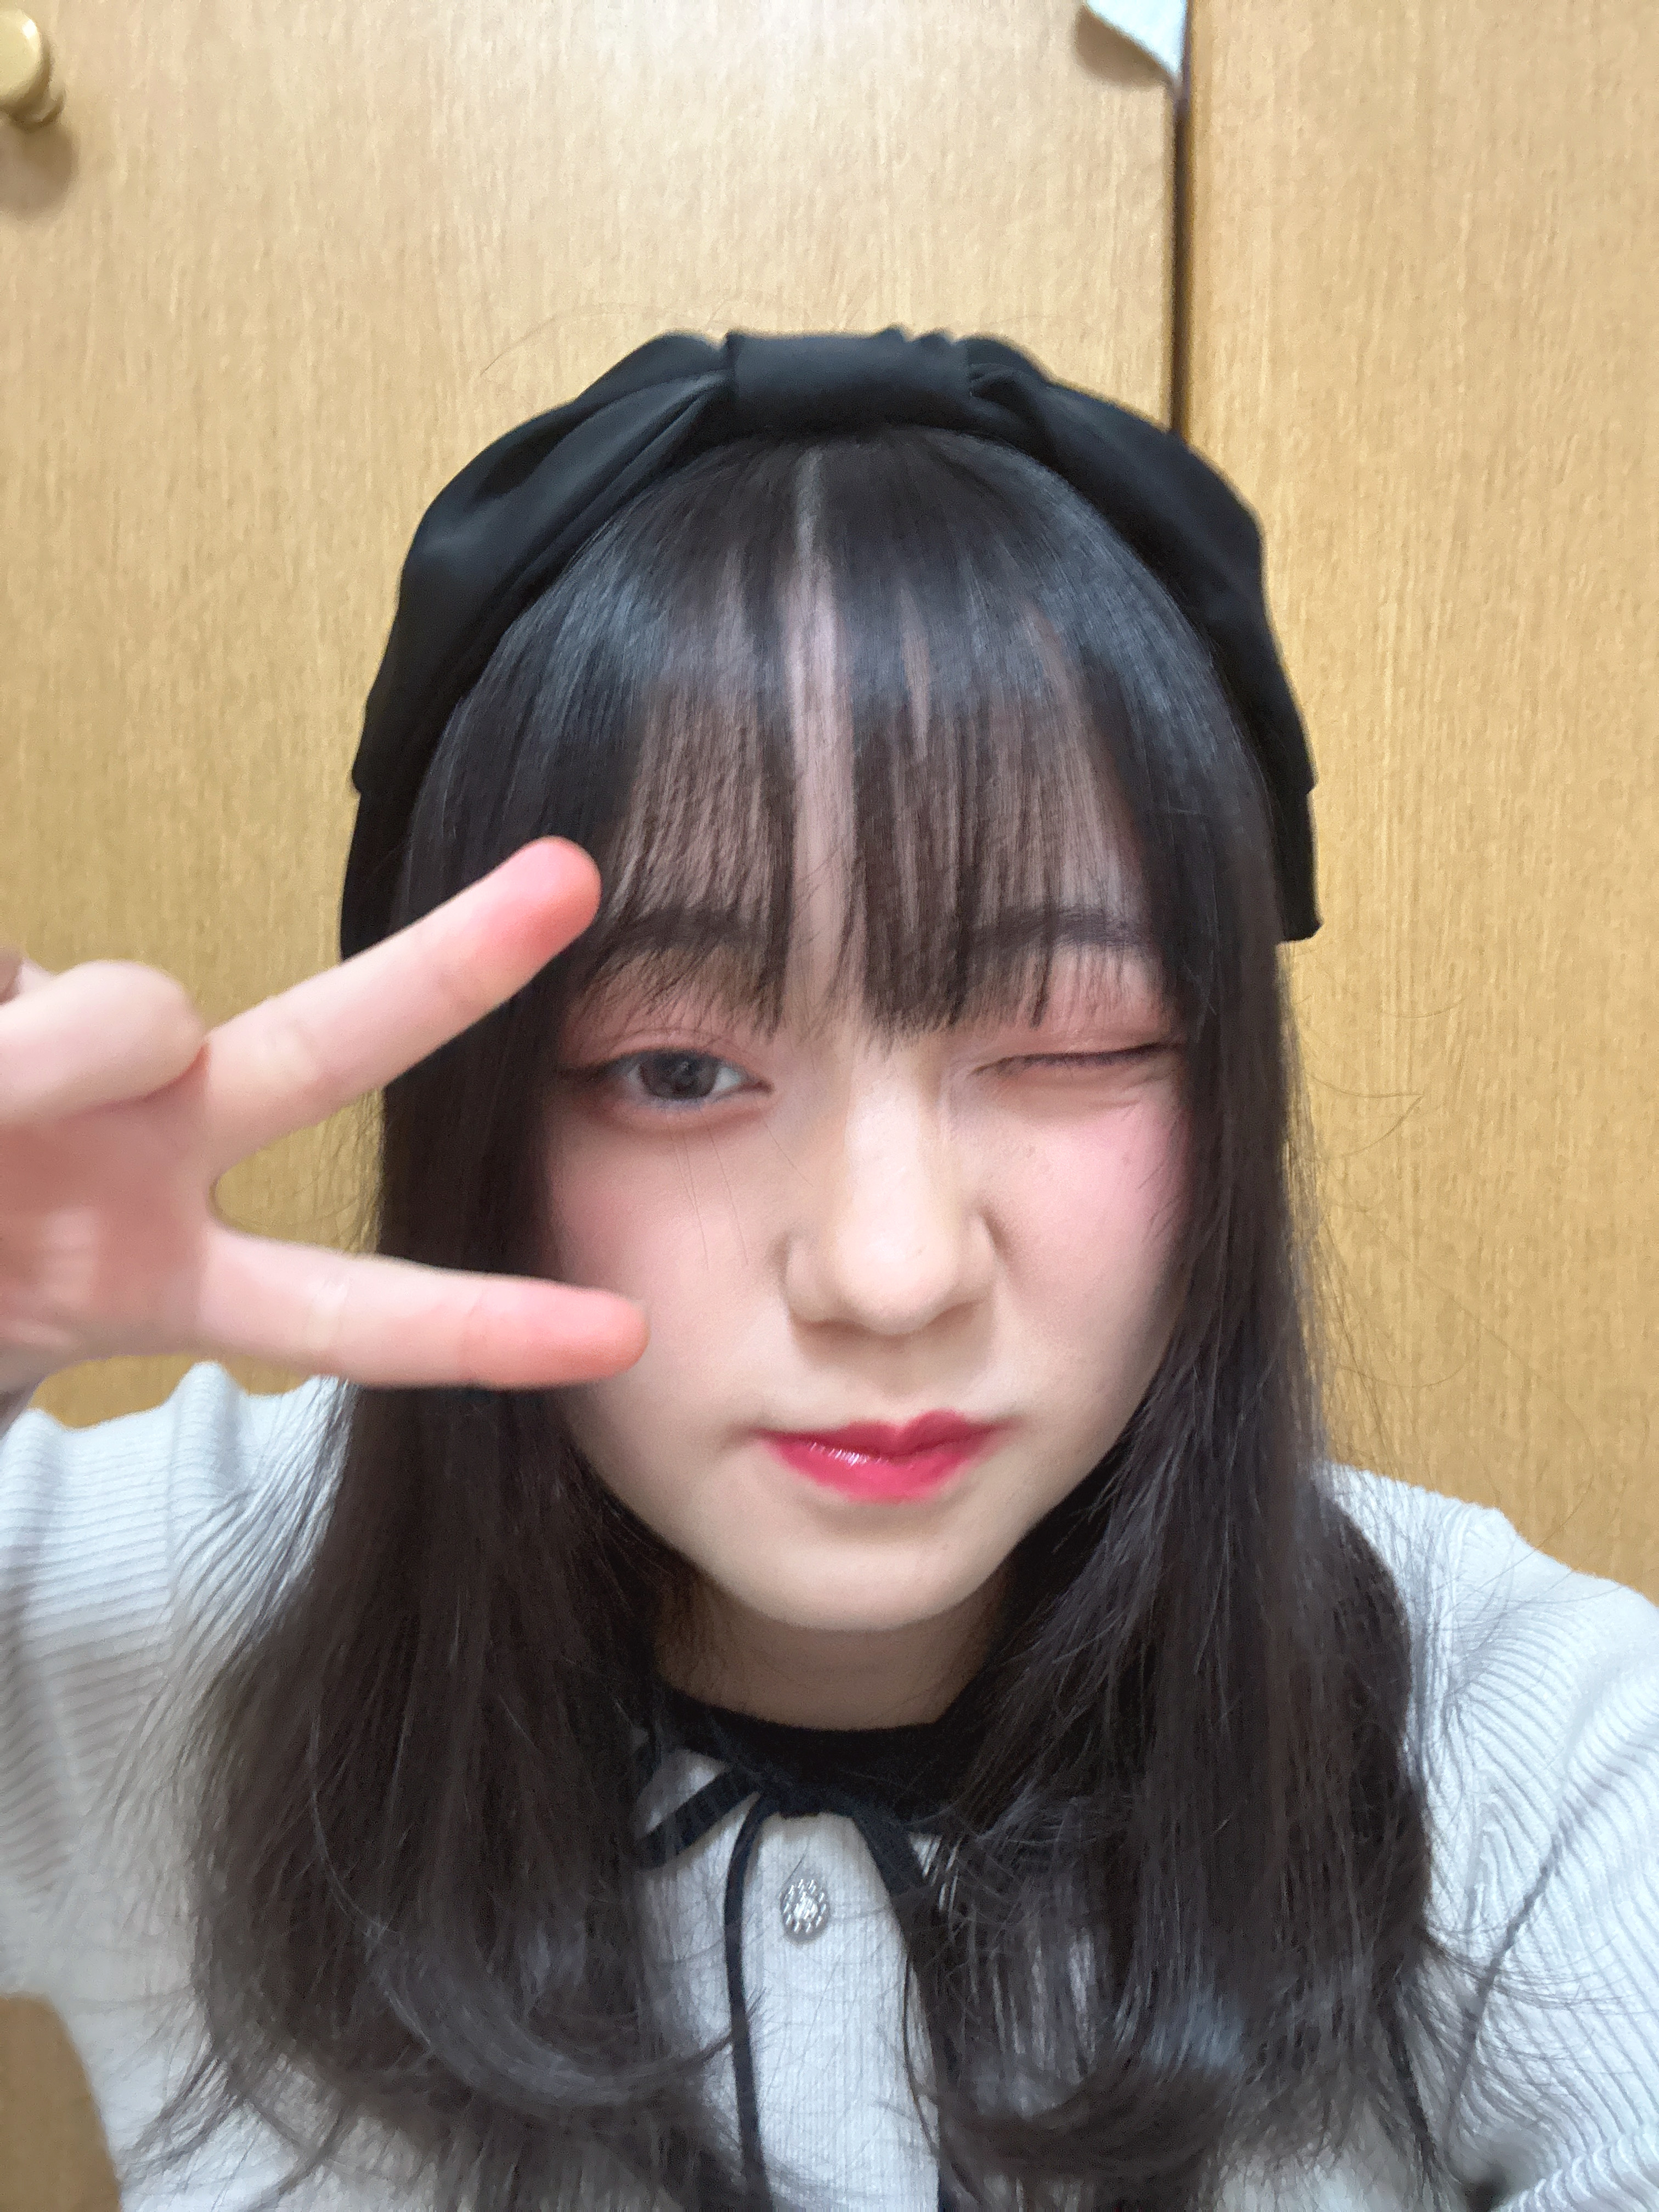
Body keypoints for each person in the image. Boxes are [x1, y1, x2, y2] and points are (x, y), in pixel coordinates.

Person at [1, 330, 1655, 2212]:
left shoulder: (1507, 1736)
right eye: (675, 1069)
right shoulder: (179, 1609)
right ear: (474, 1114)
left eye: (1069, 1041)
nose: (889, 1273)